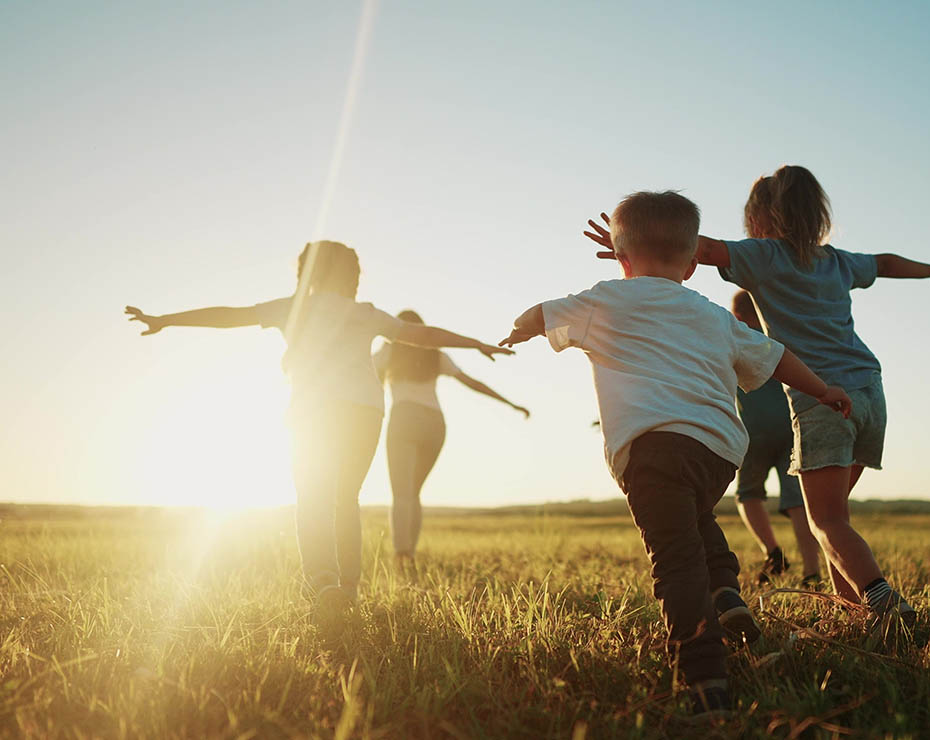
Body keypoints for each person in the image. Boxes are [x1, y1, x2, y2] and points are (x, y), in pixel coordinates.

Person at [586, 166, 930, 629]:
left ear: (759, 217)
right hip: (869, 391)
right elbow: (889, 262)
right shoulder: (836, 260)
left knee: (826, 522)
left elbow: (698, 248)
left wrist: (629, 244)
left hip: (822, 398)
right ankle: (851, 612)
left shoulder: (764, 256)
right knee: (837, 516)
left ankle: (883, 601)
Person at [505, 191, 851, 716]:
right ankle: (726, 593)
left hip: (650, 449)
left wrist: (519, 330)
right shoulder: (712, 314)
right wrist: (824, 390)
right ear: (692, 265)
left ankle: (705, 675)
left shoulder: (603, 299)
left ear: (621, 259)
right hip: (717, 452)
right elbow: (776, 357)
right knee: (693, 520)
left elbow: (541, 313)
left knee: (674, 560)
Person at [124, 241, 511, 626]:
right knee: (346, 499)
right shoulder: (365, 313)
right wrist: (473, 343)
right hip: (366, 411)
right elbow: (420, 335)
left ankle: (325, 585)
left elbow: (229, 316)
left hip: (314, 410)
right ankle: (350, 588)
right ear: (352, 277)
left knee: (313, 497)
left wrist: (166, 319)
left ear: (309, 272)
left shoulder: (293, 308)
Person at [373, 309, 530, 580]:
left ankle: (402, 556)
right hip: (434, 424)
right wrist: (510, 404)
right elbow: (473, 383)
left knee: (402, 494)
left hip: (404, 418)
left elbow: (362, 379)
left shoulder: (387, 352)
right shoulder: (436, 355)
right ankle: (409, 554)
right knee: (413, 493)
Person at [728, 290, 822, 588]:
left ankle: (773, 552)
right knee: (798, 503)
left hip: (754, 432)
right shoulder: (781, 337)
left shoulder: (735, 340)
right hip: (792, 428)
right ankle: (812, 571)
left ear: (738, 316)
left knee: (748, 494)